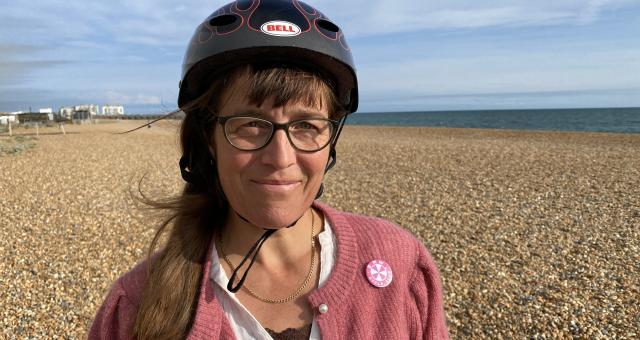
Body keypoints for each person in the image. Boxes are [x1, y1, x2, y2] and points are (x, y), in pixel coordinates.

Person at [89, 0, 448, 339]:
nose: (281, 158)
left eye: (307, 126)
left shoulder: (400, 264)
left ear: (331, 141)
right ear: (208, 140)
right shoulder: (136, 306)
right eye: (250, 124)